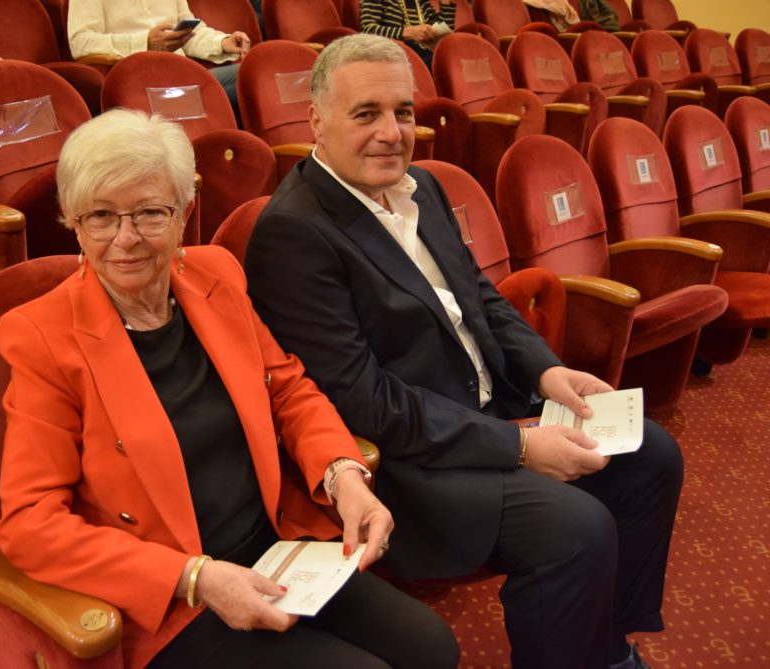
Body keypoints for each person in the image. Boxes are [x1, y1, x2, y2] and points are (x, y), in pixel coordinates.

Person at [245, 33, 682, 669]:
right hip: (414, 465)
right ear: (316, 121)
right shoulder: (294, 232)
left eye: (403, 112)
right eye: (366, 114)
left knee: (652, 455)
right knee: (575, 530)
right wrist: (521, 447)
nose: (391, 133)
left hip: (492, 412)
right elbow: (366, 401)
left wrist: (548, 371)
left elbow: (480, 297)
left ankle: (607, 648)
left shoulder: (419, 185)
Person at [0, 109, 459, 669]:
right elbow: (30, 523)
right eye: (101, 215)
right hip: (175, 595)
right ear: (73, 222)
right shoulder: (41, 336)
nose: (126, 238)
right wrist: (195, 577)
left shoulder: (215, 274)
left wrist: (343, 476)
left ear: (184, 211)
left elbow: (287, 390)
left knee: (432, 647)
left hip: (277, 548)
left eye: (150, 212)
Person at [67, 0, 249, 110]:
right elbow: (80, 42)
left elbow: (189, 32)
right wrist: (144, 43)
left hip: (184, 77)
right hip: (137, 85)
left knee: (251, 72)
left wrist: (222, 42)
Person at [360, 0, 456, 69]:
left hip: (426, 59)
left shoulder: (421, 2)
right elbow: (369, 30)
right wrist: (405, 32)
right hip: (396, 59)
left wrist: (445, 3)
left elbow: (443, 31)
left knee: (453, 58)